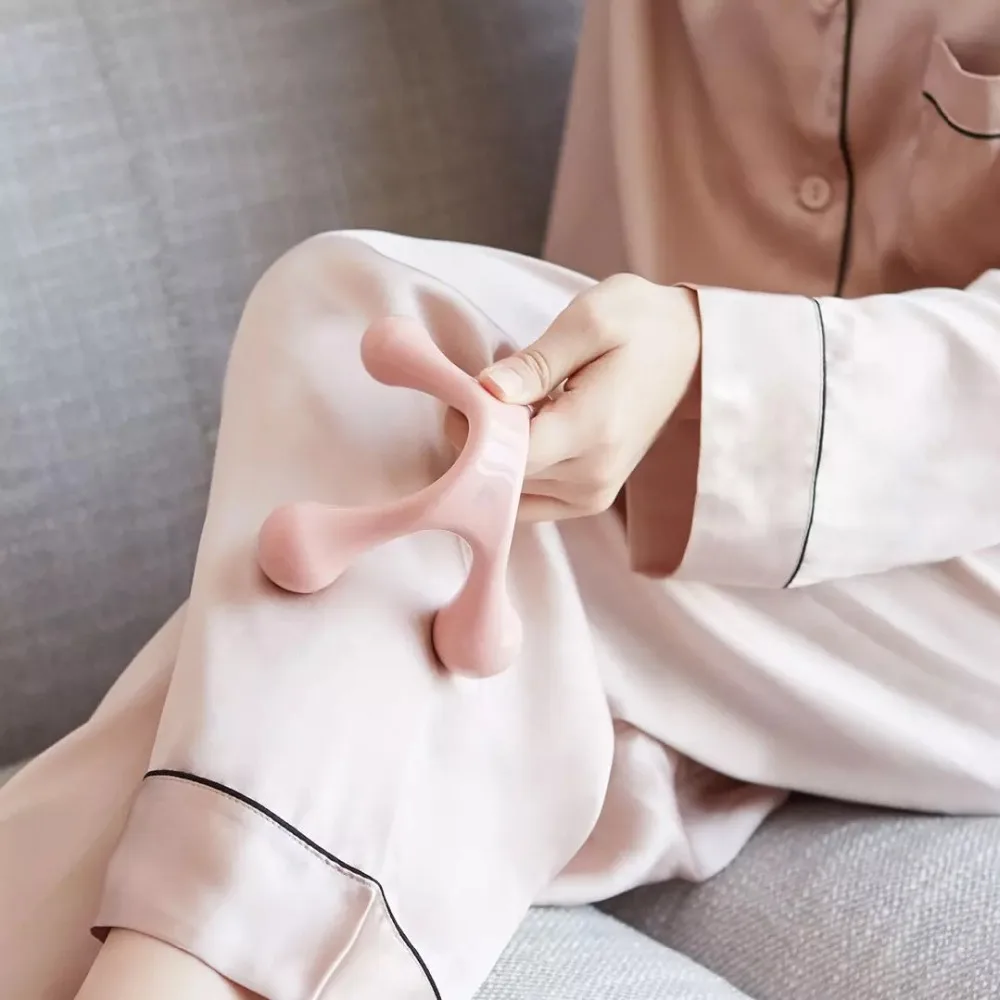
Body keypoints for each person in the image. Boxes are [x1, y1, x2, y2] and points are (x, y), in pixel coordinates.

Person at [3, 2, 1000, 998]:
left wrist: (713, 364)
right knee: (350, 583)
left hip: (962, 592)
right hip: (649, 538)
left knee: (370, 337)